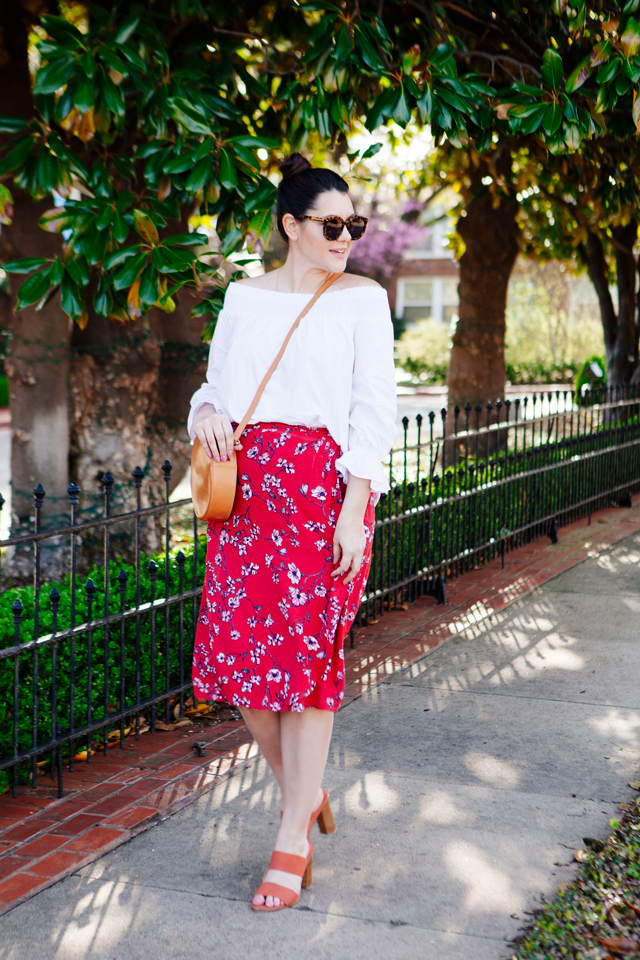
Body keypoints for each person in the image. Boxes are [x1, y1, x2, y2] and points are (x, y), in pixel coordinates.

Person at [188, 153, 397, 912]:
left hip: (324, 491)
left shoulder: (362, 300)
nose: (347, 237)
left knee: (309, 665)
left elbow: (374, 409)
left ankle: (290, 834)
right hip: (247, 492)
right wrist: (206, 413)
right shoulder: (244, 297)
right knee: (239, 663)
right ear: (289, 227)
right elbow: (215, 389)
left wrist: (353, 504)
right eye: (331, 225)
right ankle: (304, 793)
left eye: (354, 225)